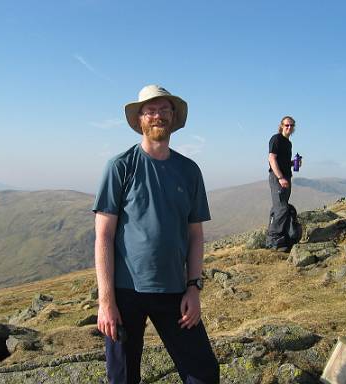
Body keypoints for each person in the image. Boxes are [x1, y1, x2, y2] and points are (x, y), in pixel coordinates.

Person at [92, 84, 219, 384]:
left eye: (164, 110)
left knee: (204, 373)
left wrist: (193, 287)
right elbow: (104, 237)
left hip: (175, 291)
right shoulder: (120, 167)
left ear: (174, 117)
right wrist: (106, 301)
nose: (157, 116)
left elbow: (196, 235)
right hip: (125, 294)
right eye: (150, 110)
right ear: (139, 120)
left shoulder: (189, 171)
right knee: (122, 379)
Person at [266, 115, 300, 251]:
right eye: (287, 125)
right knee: (282, 209)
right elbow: (272, 159)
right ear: (281, 126)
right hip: (278, 178)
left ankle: (280, 238)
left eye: (291, 125)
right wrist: (280, 177)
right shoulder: (276, 139)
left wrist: (294, 163)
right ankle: (275, 241)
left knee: (279, 207)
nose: (289, 127)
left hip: (286, 177)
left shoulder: (288, 143)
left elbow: (282, 161)